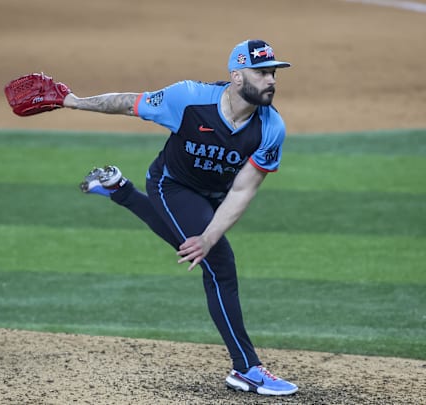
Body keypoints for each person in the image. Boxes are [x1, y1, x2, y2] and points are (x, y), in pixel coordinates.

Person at [63, 39, 297, 396]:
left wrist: (208, 235)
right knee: (219, 264)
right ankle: (246, 369)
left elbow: (242, 191)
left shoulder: (270, 128)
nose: (271, 80)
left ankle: (118, 190)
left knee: (200, 246)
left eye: (273, 73)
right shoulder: (189, 99)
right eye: (262, 72)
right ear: (236, 77)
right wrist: (74, 101)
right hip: (170, 185)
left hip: (215, 195)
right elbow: (129, 103)